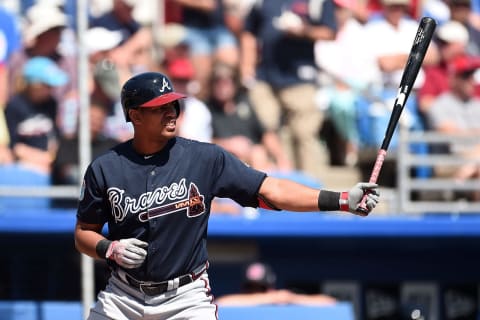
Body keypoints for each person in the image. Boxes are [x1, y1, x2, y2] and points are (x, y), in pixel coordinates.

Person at [73, 71, 380, 320]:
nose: (171, 113)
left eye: (174, 105)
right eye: (160, 107)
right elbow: (82, 234)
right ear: (135, 116)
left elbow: (272, 189)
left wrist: (340, 199)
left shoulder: (204, 158)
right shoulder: (105, 168)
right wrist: (109, 248)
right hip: (123, 297)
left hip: (185, 297)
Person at [240, 0, 337, 179]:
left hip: (301, 77)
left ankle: (311, 190)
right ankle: (271, 190)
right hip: (265, 77)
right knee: (265, 129)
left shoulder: (317, 2)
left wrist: (303, 31)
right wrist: (247, 67)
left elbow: (330, 32)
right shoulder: (262, 2)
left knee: (304, 133)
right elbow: (249, 30)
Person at [425, 54, 480, 200]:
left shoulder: (477, 104)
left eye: (472, 75)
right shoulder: (440, 105)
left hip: (470, 160)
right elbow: (453, 140)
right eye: (465, 76)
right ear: (454, 78)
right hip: (450, 161)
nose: (471, 81)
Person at [215, 261, 337, 306]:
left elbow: (330, 302)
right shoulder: (239, 305)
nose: (255, 292)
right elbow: (220, 303)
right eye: (250, 287)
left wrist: (291, 298)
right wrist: (268, 298)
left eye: (261, 288)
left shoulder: (280, 302)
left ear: (270, 287)